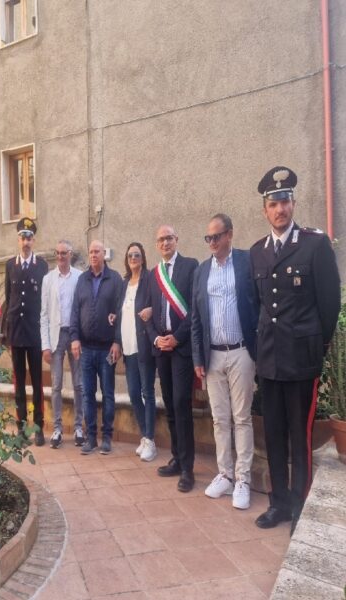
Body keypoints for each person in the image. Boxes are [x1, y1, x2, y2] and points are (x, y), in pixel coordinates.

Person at [250, 166, 340, 530]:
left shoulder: (314, 244)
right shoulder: (257, 252)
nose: (280, 209)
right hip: (270, 362)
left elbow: (329, 304)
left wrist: (316, 345)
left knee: (300, 439)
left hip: (301, 362)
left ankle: (300, 506)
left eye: (285, 201)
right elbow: (256, 305)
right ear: (265, 210)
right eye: (273, 204)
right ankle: (279, 504)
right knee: (273, 436)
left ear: (293, 203)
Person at [191, 214, 258, 509]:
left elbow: (258, 304)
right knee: (219, 418)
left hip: (241, 351)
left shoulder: (246, 262)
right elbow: (196, 318)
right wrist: (198, 357)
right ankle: (225, 475)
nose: (212, 242)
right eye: (208, 238)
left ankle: (243, 479)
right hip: (213, 355)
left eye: (217, 236)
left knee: (241, 418)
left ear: (230, 234)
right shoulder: (202, 271)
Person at [145, 225, 198, 492]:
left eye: (169, 238)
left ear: (176, 240)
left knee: (181, 404)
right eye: (161, 240)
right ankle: (177, 458)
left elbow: (195, 309)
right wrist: (156, 338)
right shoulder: (153, 274)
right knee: (169, 404)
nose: (165, 243)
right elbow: (147, 313)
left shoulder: (191, 266)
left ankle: (188, 468)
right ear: (157, 245)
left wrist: (177, 337)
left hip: (181, 346)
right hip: (161, 348)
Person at [71, 240, 123, 455]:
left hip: (107, 350)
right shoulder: (82, 280)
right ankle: (91, 437)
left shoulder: (115, 279)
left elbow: (120, 312)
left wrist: (117, 341)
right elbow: (75, 311)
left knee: (108, 394)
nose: (93, 255)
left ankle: (107, 437)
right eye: (91, 252)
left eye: (97, 252)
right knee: (87, 395)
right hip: (86, 350)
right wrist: (74, 338)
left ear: (104, 254)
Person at [4, 218, 49, 445]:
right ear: (18, 240)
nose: (26, 242)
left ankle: (39, 427)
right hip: (16, 332)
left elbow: (45, 301)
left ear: (34, 240)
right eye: (22, 237)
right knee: (19, 383)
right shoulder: (10, 265)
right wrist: (5, 332)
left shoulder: (42, 266)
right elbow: (8, 298)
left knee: (37, 383)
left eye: (29, 238)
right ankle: (21, 428)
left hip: (34, 333)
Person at [40, 240, 85, 448]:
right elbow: (43, 314)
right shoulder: (48, 279)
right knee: (56, 385)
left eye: (64, 253)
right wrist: (45, 345)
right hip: (55, 336)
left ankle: (78, 428)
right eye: (57, 253)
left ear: (70, 254)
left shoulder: (79, 277)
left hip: (74, 335)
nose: (60, 256)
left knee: (78, 384)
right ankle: (57, 429)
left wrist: (80, 338)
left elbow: (82, 308)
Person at [116, 242, 157, 461]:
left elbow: (157, 304)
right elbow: (121, 312)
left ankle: (150, 440)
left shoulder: (149, 279)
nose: (133, 258)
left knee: (147, 392)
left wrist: (152, 309)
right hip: (128, 348)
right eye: (130, 255)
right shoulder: (124, 284)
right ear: (126, 259)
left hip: (144, 346)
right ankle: (144, 435)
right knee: (133, 394)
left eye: (137, 255)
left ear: (142, 259)